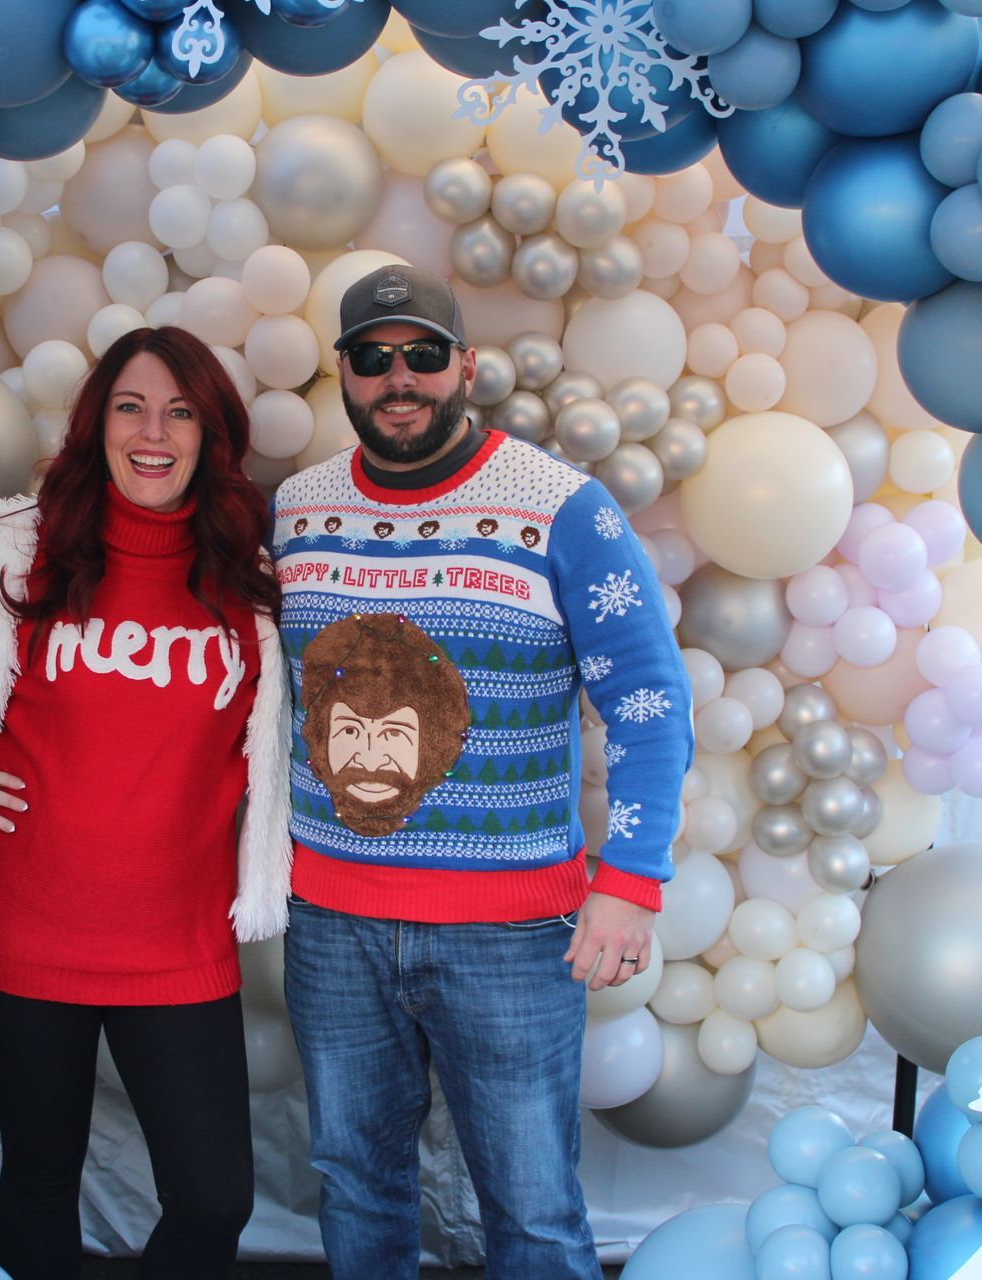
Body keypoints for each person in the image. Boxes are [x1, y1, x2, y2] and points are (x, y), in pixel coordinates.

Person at [0, 326, 293, 1280]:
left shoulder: (253, 578)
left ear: (212, 435)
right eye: (130, 407)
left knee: (212, 1196)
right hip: (19, 930)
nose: (153, 432)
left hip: (177, 941)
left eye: (181, 412)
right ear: (96, 424)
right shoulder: (4, 551)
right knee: (41, 1172)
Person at [270, 265, 694, 1279]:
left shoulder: (562, 507)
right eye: (373, 359)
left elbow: (646, 696)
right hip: (333, 925)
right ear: (343, 373)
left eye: (422, 353)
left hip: (508, 934)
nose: (398, 378)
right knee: (354, 1185)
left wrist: (632, 880)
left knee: (534, 1206)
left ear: (465, 363)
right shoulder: (295, 509)